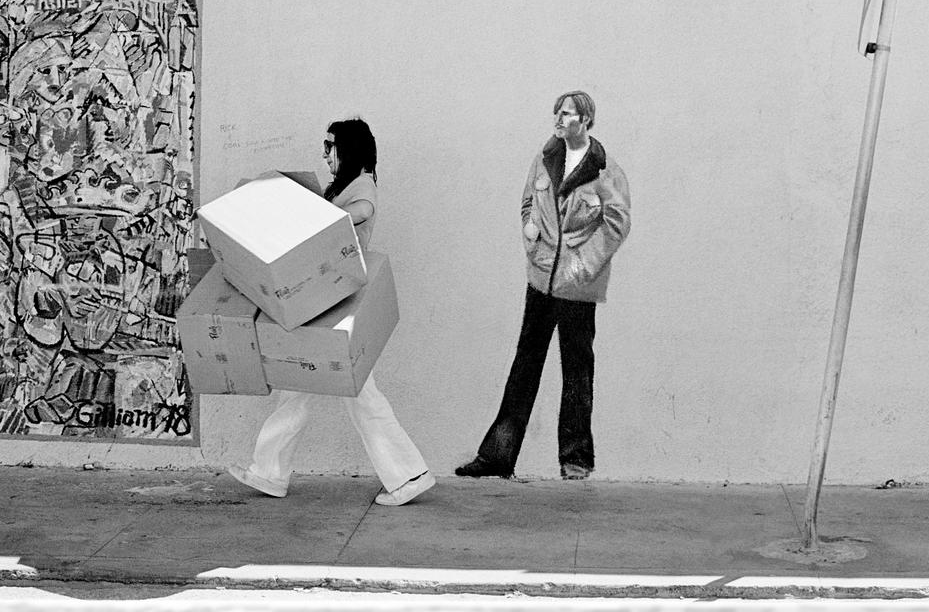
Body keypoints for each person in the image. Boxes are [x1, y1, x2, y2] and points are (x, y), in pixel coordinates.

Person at [230, 118, 435, 506]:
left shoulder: (363, 186)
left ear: (349, 149)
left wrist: (310, 216)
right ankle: (270, 472)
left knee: (359, 395)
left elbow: (360, 211)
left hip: (336, 306)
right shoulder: (339, 187)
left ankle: (409, 475)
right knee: (297, 387)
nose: (325, 154)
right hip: (321, 303)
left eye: (331, 146)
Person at [456, 91, 631, 480]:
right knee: (524, 365)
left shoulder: (605, 171)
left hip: (577, 289)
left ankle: (576, 462)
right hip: (540, 282)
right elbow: (526, 206)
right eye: (557, 112)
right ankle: (497, 456)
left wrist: (583, 266)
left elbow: (617, 223)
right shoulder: (545, 157)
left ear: (585, 121)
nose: (558, 118)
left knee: (577, 371)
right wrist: (531, 237)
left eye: (566, 114)